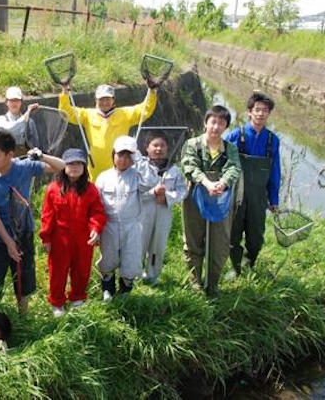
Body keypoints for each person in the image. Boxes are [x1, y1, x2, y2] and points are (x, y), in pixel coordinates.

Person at [0, 131, 65, 313]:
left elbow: (62, 166)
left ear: (10, 155)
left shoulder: (24, 167)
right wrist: (9, 242)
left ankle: (23, 316)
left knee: (23, 281)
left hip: (23, 234)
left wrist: (42, 155)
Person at [180, 105, 241, 296]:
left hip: (221, 200)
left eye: (221, 123)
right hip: (195, 197)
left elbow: (234, 168)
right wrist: (206, 182)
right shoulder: (193, 145)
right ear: (206, 123)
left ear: (226, 127)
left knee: (220, 243)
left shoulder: (230, 148)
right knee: (193, 241)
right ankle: (196, 283)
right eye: (213, 122)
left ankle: (212, 284)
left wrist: (222, 183)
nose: (216, 127)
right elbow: (189, 166)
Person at [40, 148, 106, 317]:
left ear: (84, 167)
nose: (74, 167)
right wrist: (46, 237)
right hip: (59, 238)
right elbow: (47, 215)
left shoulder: (91, 189)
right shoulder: (53, 189)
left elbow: (97, 212)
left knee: (81, 269)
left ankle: (77, 297)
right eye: (70, 164)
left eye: (78, 163)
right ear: (63, 166)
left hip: (82, 237)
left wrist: (96, 229)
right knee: (58, 271)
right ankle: (57, 302)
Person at [224, 91, 281, 277]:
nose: (260, 114)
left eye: (265, 111)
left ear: (269, 114)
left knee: (256, 237)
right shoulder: (235, 135)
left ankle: (249, 264)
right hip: (236, 195)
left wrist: (274, 199)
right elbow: (222, 163)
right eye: (257, 110)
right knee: (233, 234)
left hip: (258, 198)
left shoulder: (273, 141)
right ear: (249, 112)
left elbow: (275, 172)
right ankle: (235, 267)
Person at [95, 136, 159, 300]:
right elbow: (96, 205)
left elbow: (152, 181)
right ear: (113, 155)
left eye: (127, 156)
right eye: (119, 155)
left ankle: (126, 292)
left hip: (132, 225)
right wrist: (96, 228)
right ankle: (107, 290)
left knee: (130, 259)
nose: (123, 160)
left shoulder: (137, 176)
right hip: (109, 225)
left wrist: (139, 159)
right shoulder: (103, 177)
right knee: (108, 258)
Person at [58, 82, 157, 179]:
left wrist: (152, 91)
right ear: (96, 100)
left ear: (113, 100)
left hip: (120, 164)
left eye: (107, 99)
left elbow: (145, 109)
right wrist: (64, 92)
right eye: (101, 99)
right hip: (96, 166)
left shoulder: (125, 114)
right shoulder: (87, 115)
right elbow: (65, 112)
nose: (104, 102)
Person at [140, 131, 188, 286]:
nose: (158, 149)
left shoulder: (174, 170)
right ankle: (132, 276)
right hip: (142, 213)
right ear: (147, 148)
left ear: (167, 148)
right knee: (138, 245)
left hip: (163, 213)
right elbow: (133, 192)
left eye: (162, 145)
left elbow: (182, 191)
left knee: (157, 246)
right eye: (155, 145)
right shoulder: (140, 168)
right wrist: (152, 193)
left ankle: (153, 275)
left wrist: (167, 196)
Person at [0, 86, 40, 157]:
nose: (14, 103)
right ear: (6, 102)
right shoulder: (0, 120)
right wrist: (27, 113)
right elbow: (12, 128)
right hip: (5, 160)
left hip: (25, 160)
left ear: (21, 102)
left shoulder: (30, 121)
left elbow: (35, 144)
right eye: (11, 100)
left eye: (17, 100)